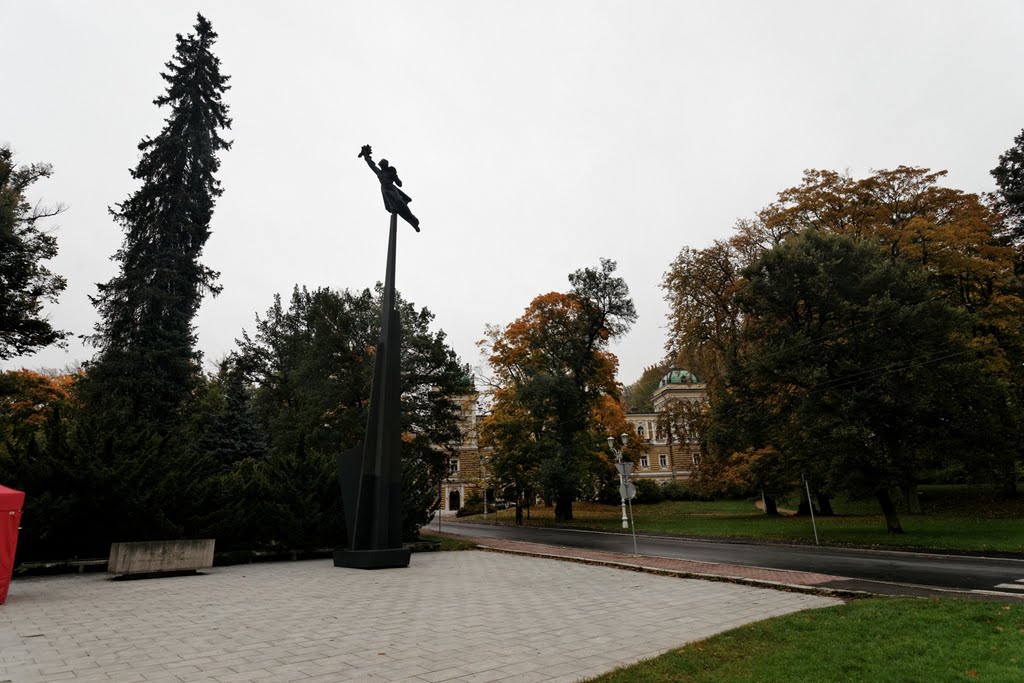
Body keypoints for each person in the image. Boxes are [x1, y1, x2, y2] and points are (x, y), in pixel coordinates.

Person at [359, 144, 420, 231]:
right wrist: (365, 155)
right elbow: (371, 164)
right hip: (385, 190)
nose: (380, 164)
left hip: (391, 189)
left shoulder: (390, 172)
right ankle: (410, 219)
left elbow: (399, 184)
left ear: (385, 165)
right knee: (394, 208)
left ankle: (411, 217)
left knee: (400, 202)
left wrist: (395, 177)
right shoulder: (379, 173)